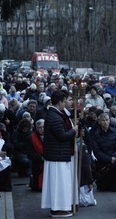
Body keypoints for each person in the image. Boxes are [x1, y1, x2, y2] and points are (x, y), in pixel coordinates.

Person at [41, 90, 78, 218]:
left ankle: (59, 207)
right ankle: (58, 208)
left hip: (56, 154)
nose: (65, 104)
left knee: (59, 184)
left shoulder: (53, 114)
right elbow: (62, 136)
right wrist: (73, 131)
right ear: (60, 102)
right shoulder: (55, 116)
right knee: (59, 184)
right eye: (64, 101)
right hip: (57, 155)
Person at [27, 118, 45, 192]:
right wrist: (41, 158)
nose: (42, 129)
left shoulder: (51, 136)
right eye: (40, 127)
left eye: (43, 127)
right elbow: (30, 153)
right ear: (36, 128)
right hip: (37, 163)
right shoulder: (31, 138)